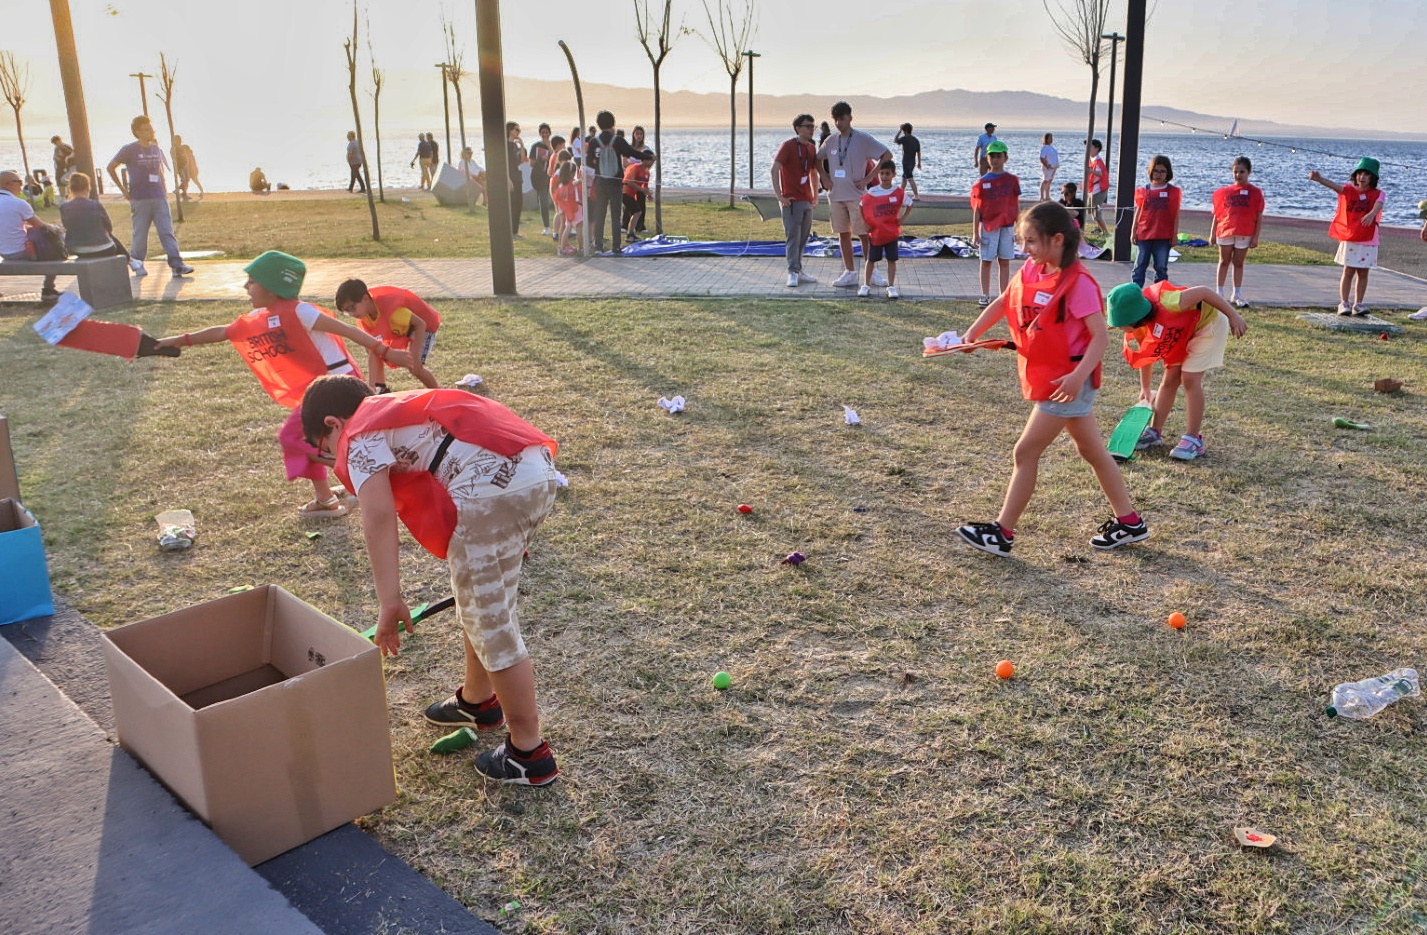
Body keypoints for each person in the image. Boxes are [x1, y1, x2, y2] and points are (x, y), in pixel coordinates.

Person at [300, 374, 562, 786]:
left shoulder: (358, 431)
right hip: (534, 474)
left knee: (493, 626)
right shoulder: (397, 410)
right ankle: (478, 700)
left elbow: (378, 515)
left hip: (489, 493)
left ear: (333, 423)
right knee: (479, 605)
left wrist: (390, 600)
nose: (333, 455)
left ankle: (529, 753)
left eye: (324, 448)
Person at [153, 251, 412, 518]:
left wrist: (385, 351)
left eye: (252, 281)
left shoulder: (300, 311)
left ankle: (351, 484)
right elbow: (223, 331)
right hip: (322, 390)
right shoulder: (262, 319)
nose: (246, 287)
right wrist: (179, 340)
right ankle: (349, 486)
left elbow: (349, 331)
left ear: (273, 286)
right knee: (330, 438)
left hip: (337, 387)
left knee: (299, 438)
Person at [955, 201, 1149, 556]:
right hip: (1056, 378)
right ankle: (1130, 522)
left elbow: (1100, 338)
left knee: (1025, 451)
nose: (1024, 249)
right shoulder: (1031, 269)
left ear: (1057, 239)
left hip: (1067, 383)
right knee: (1092, 451)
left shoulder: (1079, 284)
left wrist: (1077, 377)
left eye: (1031, 241)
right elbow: (1004, 301)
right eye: (1023, 240)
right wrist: (970, 337)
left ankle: (1003, 532)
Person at [1107, 280, 1249, 463]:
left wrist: (1233, 315)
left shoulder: (1170, 301)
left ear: (1134, 318)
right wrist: (1145, 388)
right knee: (1170, 379)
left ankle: (1193, 439)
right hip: (1180, 331)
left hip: (1206, 324)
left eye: (1120, 324)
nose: (1118, 329)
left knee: (1189, 378)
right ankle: (1155, 431)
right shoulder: (1140, 328)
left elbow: (1204, 290)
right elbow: (1146, 356)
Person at [106, 114, 193, 278]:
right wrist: (123, 190)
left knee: (167, 231)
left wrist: (164, 189)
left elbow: (159, 171)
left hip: (159, 197)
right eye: (146, 129)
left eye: (151, 128)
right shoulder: (129, 149)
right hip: (140, 198)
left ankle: (177, 265)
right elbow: (111, 167)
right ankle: (137, 263)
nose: (150, 132)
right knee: (140, 233)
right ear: (137, 132)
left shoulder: (155, 148)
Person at [817, 101, 892, 289]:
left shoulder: (863, 138)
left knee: (864, 234)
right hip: (836, 195)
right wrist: (824, 177)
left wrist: (868, 178)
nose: (838, 123)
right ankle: (849, 272)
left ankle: (872, 271)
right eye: (835, 120)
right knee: (843, 233)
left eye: (841, 119)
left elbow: (886, 155)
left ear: (850, 117)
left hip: (857, 196)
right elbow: (817, 159)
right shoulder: (831, 140)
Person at [1309, 158, 1384, 316]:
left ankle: (1359, 303)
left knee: (1363, 272)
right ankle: (1344, 303)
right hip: (1351, 237)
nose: (1362, 177)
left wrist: (1371, 214)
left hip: (1368, 240)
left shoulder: (1378, 193)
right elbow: (1336, 187)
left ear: (1373, 178)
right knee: (1348, 270)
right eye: (1359, 173)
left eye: (1366, 174)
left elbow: (1379, 204)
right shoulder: (1349, 191)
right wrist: (1319, 179)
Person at [335, 279, 441, 390]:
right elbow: (371, 350)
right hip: (401, 328)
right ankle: (379, 389)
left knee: (415, 367)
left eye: (352, 308)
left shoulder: (393, 310)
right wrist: (373, 381)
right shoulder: (365, 319)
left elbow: (420, 324)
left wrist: (415, 355)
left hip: (422, 327)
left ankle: (437, 390)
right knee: (376, 351)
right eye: (347, 312)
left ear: (365, 298)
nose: (352, 314)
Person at [585, 110, 646, 254]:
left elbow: (588, 161)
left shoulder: (594, 141)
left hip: (600, 181)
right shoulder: (617, 140)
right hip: (615, 181)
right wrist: (647, 156)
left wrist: (599, 166)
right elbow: (631, 152)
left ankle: (598, 246)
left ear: (598, 124)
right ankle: (616, 246)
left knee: (600, 213)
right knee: (615, 214)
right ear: (613, 123)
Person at [772, 114, 820, 289]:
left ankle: (798, 269)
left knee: (803, 237)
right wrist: (780, 196)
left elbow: (813, 173)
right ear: (798, 128)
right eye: (808, 126)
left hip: (806, 198)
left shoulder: (811, 148)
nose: (811, 129)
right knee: (793, 236)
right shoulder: (788, 146)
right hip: (791, 200)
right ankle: (792, 271)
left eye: (813, 126)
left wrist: (815, 196)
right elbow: (774, 169)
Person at [1209, 156, 1265, 308]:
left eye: (1242, 172)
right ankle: (1219, 292)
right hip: (1226, 230)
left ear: (1249, 172)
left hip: (1245, 232)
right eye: (1235, 172)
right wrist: (1212, 233)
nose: (1238, 175)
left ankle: (1237, 293)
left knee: (1238, 263)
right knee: (1224, 261)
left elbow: (1258, 216)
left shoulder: (1256, 193)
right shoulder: (1225, 192)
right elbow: (1217, 214)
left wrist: (1256, 237)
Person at [970, 140, 1021, 307]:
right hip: (988, 226)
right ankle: (985, 295)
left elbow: (1015, 204)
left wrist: (1019, 226)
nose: (995, 160)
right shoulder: (981, 183)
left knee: (1004, 260)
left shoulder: (1012, 180)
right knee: (986, 260)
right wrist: (975, 233)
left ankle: (1003, 295)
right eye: (992, 156)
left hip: (1007, 226)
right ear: (987, 158)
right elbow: (977, 208)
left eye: (999, 156)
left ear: (1005, 157)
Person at [0, 169, 59, 300]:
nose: (21, 185)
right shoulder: (18, 203)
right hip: (21, 251)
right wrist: (57, 228)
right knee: (56, 245)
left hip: (3, 252)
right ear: (7, 184)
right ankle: (49, 288)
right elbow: (41, 226)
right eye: (19, 182)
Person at [858, 159, 913, 299]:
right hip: (876, 233)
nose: (884, 177)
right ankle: (866, 284)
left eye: (887, 173)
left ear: (893, 175)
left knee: (891, 260)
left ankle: (891, 286)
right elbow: (861, 205)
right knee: (871, 259)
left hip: (891, 233)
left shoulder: (898, 192)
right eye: (881, 173)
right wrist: (865, 222)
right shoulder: (873, 191)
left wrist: (902, 218)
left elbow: (909, 204)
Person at [1131, 154, 1181, 287]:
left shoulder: (1173, 192)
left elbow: (1175, 214)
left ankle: (1160, 292)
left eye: (1162, 171)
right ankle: (1136, 291)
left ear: (1168, 173)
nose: (1159, 174)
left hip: (1163, 235)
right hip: (1144, 233)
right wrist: (1133, 230)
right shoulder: (1143, 191)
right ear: (1151, 171)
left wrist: (1174, 234)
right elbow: (1139, 210)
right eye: (1156, 171)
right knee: (1140, 263)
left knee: (1161, 266)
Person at [59, 172, 127, 259]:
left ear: (71, 189)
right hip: (104, 249)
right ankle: (132, 261)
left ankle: (132, 261)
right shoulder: (95, 204)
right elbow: (108, 227)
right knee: (110, 237)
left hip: (76, 249)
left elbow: (67, 226)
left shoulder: (64, 207)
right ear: (88, 188)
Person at [528, 124, 555, 236]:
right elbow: (531, 163)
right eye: (542, 132)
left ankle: (564, 226)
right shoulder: (535, 146)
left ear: (549, 133)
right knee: (543, 201)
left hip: (551, 176)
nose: (544, 134)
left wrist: (549, 147)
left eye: (546, 132)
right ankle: (547, 227)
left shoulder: (553, 145)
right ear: (540, 134)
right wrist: (540, 158)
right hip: (539, 176)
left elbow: (557, 157)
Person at [622, 150, 654, 242]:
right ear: (644, 159)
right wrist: (642, 190)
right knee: (637, 212)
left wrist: (648, 194)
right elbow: (629, 182)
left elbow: (645, 186)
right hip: (625, 193)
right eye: (650, 160)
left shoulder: (647, 173)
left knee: (637, 212)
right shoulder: (635, 167)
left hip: (632, 195)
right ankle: (630, 234)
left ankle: (631, 233)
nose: (652, 162)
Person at [552, 159, 582, 256]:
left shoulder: (560, 185)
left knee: (567, 227)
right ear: (571, 173)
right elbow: (579, 182)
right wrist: (583, 178)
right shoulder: (572, 183)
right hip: (575, 209)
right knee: (579, 229)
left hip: (567, 209)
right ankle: (581, 247)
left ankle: (562, 248)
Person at [505, 122, 526, 237]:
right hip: (510, 177)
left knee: (518, 204)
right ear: (510, 130)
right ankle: (510, 232)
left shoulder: (514, 145)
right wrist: (508, 179)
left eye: (519, 129)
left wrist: (521, 145)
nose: (518, 132)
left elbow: (522, 159)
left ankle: (515, 231)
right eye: (516, 129)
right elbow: (504, 164)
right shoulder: (505, 145)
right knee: (512, 204)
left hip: (517, 177)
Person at [1085, 139, 1109, 235]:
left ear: (1096, 148)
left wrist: (1090, 171)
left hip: (1098, 190)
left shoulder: (1098, 161)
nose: (1088, 149)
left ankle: (1105, 232)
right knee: (1090, 210)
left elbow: (1100, 173)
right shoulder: (1092, 160)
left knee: (1096, 213)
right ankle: (1099, 229)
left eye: (1090, 147)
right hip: (1093, 189)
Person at [894, 123, 921, 198]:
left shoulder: (905, 139)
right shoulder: (915, 140)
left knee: (910, 178)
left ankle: (916, 195)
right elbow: (918, 152)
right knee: (904, 179)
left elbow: (895, 140)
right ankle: (900, 194)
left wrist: (899, 130)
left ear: (904, 130)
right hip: (912, 162)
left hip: (906, 162)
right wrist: (919, 162)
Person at [173, 135, 203, 200]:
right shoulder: (182, 152)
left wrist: (192, 169)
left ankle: (183, 192)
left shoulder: (188, 154)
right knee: (188, 181)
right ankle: (184, 193)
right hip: (187, 169)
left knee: (191, 180)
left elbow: (191, 163)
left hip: (190, 169)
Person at [1039, 132, 1060, 201]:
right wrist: (1047, 165)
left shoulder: (1051, 148)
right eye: (1050, 138)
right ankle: (1042, 196)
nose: (1051, 139)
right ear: (1046, 139)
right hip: (1048, 166)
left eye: (1052, 138)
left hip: (1054, 166)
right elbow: (1042, 158)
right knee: (1045, 180)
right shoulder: (1045, 148)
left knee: (1049, 181)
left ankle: (1047, 196)